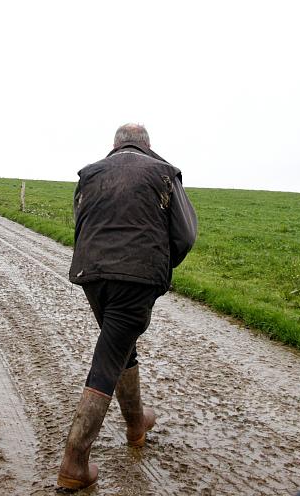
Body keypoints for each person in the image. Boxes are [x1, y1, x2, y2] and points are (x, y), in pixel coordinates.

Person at [57, 123, 198, 490]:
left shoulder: (89, 173)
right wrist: (159, 266)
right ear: (148, 147)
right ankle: (75, 461)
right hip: (136, 279)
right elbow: (185, 235)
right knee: (109, 357)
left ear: (114, 146)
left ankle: (136, 423)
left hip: (92, 273)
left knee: (119, 346)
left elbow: (81, 222)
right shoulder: (164, 172)